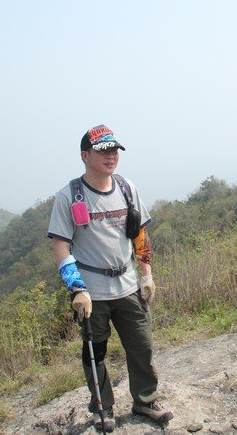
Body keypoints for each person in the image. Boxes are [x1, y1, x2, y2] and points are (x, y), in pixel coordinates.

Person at [47, 125, 173, 432]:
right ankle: (102, 407)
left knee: (142, 345)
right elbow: (60, 246)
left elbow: (140, 234)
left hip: (127, 285)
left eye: (114, 150)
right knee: (96, 352)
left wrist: (146, 275)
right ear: (85, 156)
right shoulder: (69, 196)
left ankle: (145, 400)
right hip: (93, 291)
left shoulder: (126, 188)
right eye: (103, 150)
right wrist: (76, 288)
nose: (111, 156)